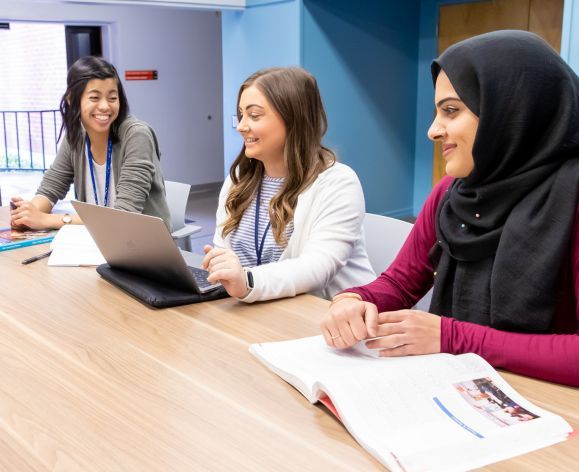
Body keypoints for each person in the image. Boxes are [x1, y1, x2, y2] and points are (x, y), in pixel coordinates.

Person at [320, 30, 579, 387]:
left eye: (451, 111)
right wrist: (352, 300)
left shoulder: (572, 198)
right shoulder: (450, 194)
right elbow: (399, 282)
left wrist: (455, 338)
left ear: (510, 110)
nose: (433, 130)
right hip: (458, 391)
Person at [202, 67, 375, 302]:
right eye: (241, 114)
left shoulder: (338, 182)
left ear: (293, 119)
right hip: (260, 310)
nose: (241, 126)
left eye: (254, 115)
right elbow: (223, 251)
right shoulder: (239, 178)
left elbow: (316, 269)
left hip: (327, 317)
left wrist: (247, 280)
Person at [10, 56, 170, 230]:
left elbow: (124, 216)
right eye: (94, 97)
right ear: (72, 99)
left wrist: (48, 220)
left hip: (141, 243)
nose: (105, 106)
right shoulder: (76, 135)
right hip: (96, 239)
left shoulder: (137, 135)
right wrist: (28, 214)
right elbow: (51, 188)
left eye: (112, 98)